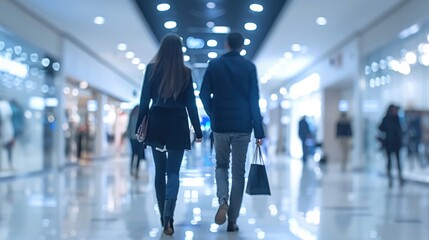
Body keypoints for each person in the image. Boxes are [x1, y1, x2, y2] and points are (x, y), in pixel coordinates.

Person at [135, 34, 203, 236]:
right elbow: (191, 104)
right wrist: (198, 132)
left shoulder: (151, 69)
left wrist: (139, 126)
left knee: (159, 171)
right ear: (179, 50)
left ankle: (163, 217)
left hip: (156, 124)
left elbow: (144, 100)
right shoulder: (185, 72)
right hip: (177, 125)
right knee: (173, 173)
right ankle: (168, 217)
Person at [200, 32, 265, 232]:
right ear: (242, 46)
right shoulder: (249, 67)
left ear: (226, 44)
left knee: (221, 166)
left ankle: (223, 200)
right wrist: (259, 130)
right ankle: (232, 220)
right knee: (239, 174)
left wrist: (214, 113)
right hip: (243, 127)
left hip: (221, 126)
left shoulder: (215, 65)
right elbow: (254, 99)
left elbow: (203, 94)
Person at [379, 104, 403, 187]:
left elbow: (400, 130)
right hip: (388, 143)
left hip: (396, 143)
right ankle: (390, 178)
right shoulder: (386, 119)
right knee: (389, 161)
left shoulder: (397, 118)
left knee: (398, 161)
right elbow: (380, 128)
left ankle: (400, 177)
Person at [126, 105, 146, 178]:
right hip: (138, 138)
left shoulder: (132, 115)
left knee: (134, 154)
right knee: (137, 154)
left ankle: (133, 170)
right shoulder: (140, 116)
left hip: (133, 138)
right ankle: (135, 170)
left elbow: (128, 127)